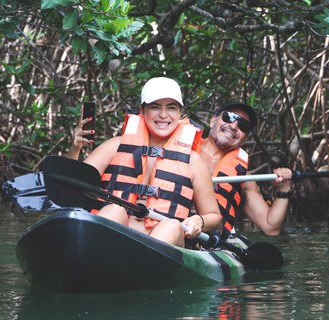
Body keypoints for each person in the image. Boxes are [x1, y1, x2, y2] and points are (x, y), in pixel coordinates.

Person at [70, 77, 221, 248]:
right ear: (142, 110)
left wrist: (198, 220)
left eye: (171, 108)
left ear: (180, 113)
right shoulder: (115, 146)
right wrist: (75, 148)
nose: (163, 115)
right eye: (155, 107)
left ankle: (142, 266)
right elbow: (71, 186)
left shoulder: (193, 161)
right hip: (115, 238)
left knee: (171, 225)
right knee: (114, 209)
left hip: (164, 244)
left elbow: (214, 217)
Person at [200, 102, 292, 240]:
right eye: (229, 117)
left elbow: (270, 227)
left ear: (245, 139)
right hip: (170, 228)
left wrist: (283, 190)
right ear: (213, 120)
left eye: (243, 125)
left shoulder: (243, 178)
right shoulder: (180, 152)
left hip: (208, 241)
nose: (234, 126)